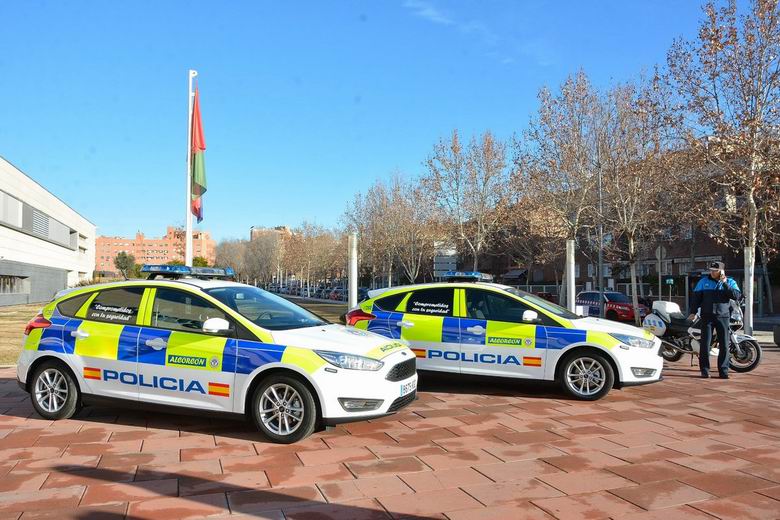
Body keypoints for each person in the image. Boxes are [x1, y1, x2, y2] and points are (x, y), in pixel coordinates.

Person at [688, 261, 741, 379]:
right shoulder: (703, 281)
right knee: (705, 344)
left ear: (721, 271)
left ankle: (723, 371)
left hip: (723, 317)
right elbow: (696, 298)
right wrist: (693, 312)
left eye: (715, 270)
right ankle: (705, 370)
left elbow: (736, 296)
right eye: (711, 270)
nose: (712, 272)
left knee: (724, 345)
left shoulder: (730, 282)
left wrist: (725, 283)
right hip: (707, 317)